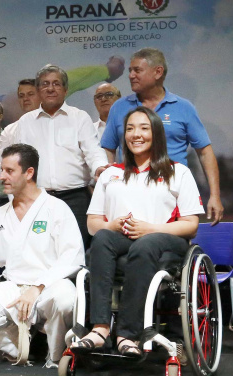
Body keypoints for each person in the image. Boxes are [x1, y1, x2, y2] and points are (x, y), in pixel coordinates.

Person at [74, 107, 204, 357]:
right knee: (101, 237)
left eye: (144, 128)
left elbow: (190, 224)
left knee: (146, 245)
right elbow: (92, 223)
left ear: (156, 133)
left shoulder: (178, 172)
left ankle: (127, 334)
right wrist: (111, 225)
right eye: (130, 129)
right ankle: (100, 328)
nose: (136, 134)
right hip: (121, 239)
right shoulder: (110, 174)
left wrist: (150, 229)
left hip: (166, 241)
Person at [0, 144, 85, 367]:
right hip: (13, 286)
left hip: (49, 286)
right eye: (1, 170)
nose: (2, 176)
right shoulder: (1, 214)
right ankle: (22, 347)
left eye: (9, 171)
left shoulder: (56, 208)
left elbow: (72, 256)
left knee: (65, 298)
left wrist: (39, 287)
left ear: (29, 173)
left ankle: (55, 356)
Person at [100, 48, 224, 224]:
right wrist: (107, 187)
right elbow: (107, 150)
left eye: (137, 70)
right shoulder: (119, 107)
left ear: (158, 72)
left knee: (167, 246)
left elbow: (205, 152)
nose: (131, 75)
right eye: (130, 71)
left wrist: (215, 195)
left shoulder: (183, 107)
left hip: (172, 195)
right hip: (128, 196)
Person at [0, 64, 108, 248]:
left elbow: (93, 151)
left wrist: (100, 168)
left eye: (56, 84)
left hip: (76, 199)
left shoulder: (79, 117)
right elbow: (18, 163)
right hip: (37, 199)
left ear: (65, 89)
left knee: (75, 250)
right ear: (39, 90)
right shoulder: (25, 122)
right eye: (45, 84)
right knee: (40, 251)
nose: (50, 88)